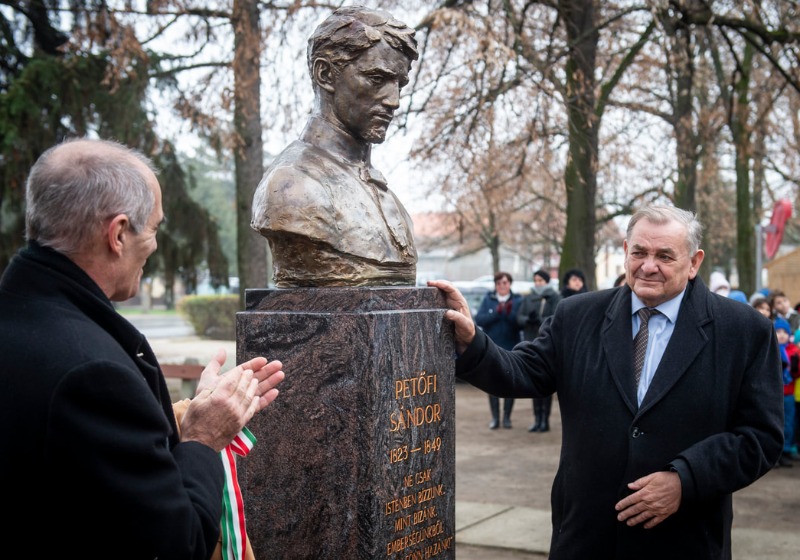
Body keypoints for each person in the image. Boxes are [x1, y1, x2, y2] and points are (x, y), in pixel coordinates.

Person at [429, 204, 783, 559]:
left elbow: (760, 437)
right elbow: (523, 371)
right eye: (640, 252)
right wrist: (473, 341)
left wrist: (685, 480)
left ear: (694, 263)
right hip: (587, 538)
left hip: (684, 540)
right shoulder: (576, 315)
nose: (648, 266)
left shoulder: (745, 331)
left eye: (664, 255)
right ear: (626, 251)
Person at [0, 138, 286, 559]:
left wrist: (181, 418)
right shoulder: (92, 376)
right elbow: (176, 546)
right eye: (152, 228)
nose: (154, 244)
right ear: (117, 234)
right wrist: (204, 439)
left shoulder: (21, 316)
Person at [251, 6, 418, 287]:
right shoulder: (293, 188)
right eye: (377, 79)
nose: (394, 100)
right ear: (325, 74)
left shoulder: (386, 195)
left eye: (399, 84)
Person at [475, 271, 522, 429]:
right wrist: (496, 313)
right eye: (499, 283)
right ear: (495, 285)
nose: (502, 286)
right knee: (492, 383)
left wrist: (509, 314)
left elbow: (519, 323)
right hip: (492, 347)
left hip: (511, 347)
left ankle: (507, 417)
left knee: (509, 382)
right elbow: (480, 320)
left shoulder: (517, 300)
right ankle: (495, 418)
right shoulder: (489, 299)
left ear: (510, 284)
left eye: (505, 283)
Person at [517, 268, 561, 432]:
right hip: (531, 341)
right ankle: (537, 419)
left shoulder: (554, 297)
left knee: (545, 385)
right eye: (536, 280)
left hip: (547, 345)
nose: (538, 283)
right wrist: (529, 319)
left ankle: (545, 420)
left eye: (541, 280)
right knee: (533, 383)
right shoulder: (529, 297)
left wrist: (541, 320)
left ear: (547, 282)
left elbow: (556, 319)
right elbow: (519, 318)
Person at [774, 317, 799, 467]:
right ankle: (774, 454)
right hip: (776, 395)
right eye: (778, 331)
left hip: (789, 393)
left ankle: (786, 450)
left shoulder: (793, 351)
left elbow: (796, 373)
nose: (782, 334)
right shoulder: (772, 349)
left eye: (785, 332)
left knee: (788, 424)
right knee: (776, 424)